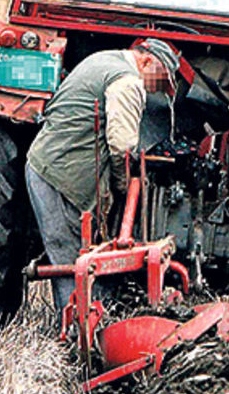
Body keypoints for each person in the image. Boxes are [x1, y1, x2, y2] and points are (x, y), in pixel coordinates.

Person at [25, 39, 181, 309]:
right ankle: (79, 330)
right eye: (159, 80)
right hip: (62, 176)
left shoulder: (101, 59)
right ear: (145, 61)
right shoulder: (128, 81)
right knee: (71, 255)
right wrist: (123, 184)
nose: (155, 88)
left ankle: (84, 318)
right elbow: (121, 145)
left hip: (46, 166)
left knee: (70, 251)